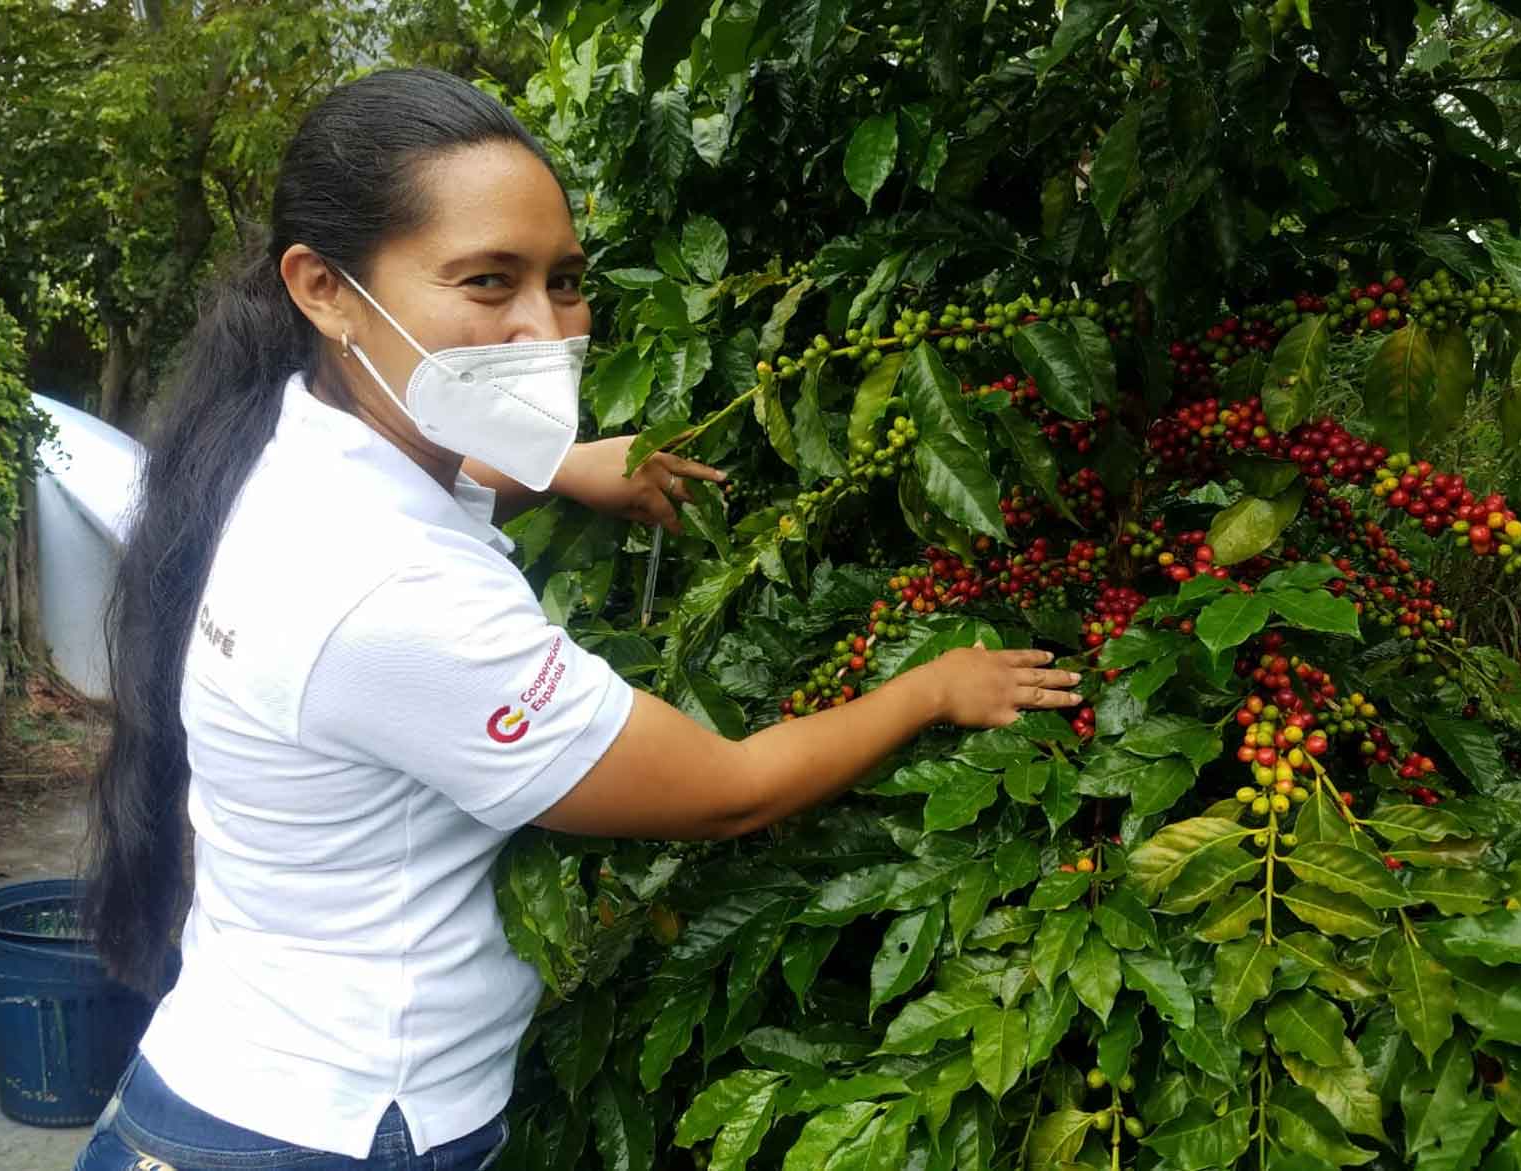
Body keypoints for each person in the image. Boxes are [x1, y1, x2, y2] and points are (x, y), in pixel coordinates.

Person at [75, 68, 1082, 1171]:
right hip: (332, 1135)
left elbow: (431, 466)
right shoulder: (396, 598)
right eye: (486, 281)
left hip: (220, 1077)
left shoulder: (277, 439)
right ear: (323, 288)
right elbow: (726, 790)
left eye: (563, 282)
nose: (541, 327)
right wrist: (928, 688)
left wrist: (553, 466)